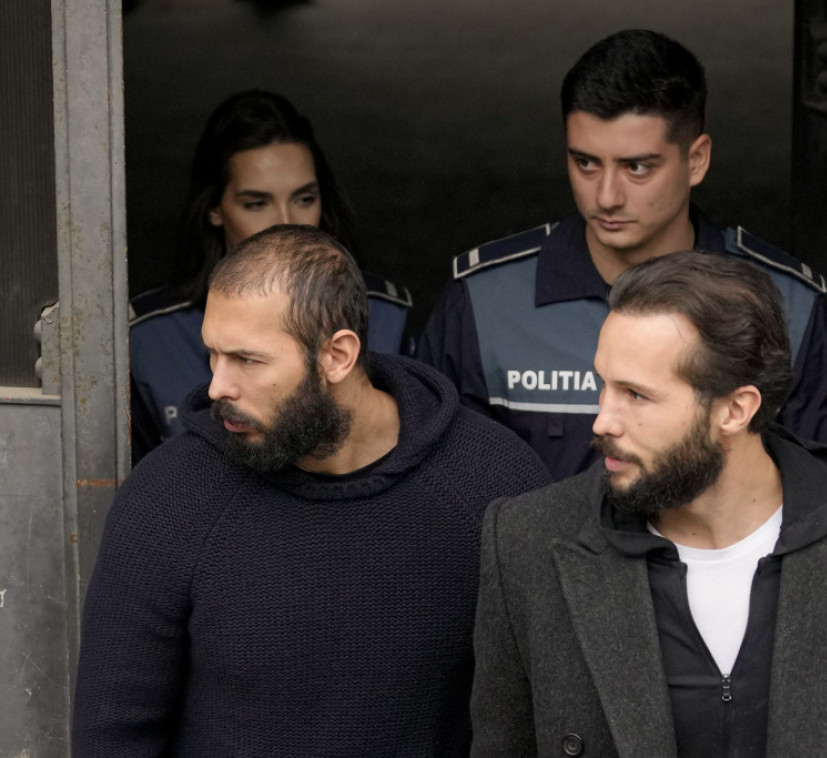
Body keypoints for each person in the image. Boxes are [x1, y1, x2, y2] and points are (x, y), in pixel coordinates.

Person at [470, 250, 827, 757]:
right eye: (603, 386)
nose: (603, 420)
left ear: (735, 409)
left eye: (636, 395)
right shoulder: (528, 543)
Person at [74, 225, 551, 756]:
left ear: (337, 356)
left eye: (247, 360)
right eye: (213, 354)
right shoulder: (170, 496)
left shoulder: (492, 483)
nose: (217, 387)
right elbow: (112, 733)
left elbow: (540, 710)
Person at [419, 29, 827, 482]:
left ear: (696, 160)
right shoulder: (484, 306)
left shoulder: (788, 307)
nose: (606, 196)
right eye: (586, 163)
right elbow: (428, 493)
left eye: (637, 168)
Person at [130, 89, 413, 463]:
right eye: (257, 204)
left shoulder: (387, 316)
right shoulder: (149, 338)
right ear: (214, 209)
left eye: (304, 199)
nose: (286, 222)